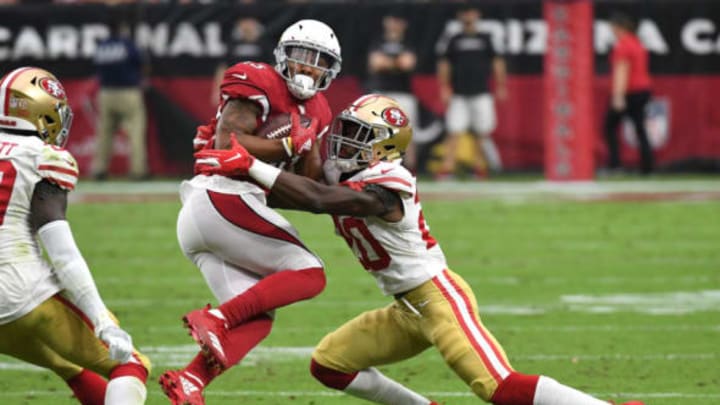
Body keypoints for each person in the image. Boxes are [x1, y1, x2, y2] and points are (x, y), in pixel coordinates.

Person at [195, 94, 645, 405]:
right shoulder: (344, 172)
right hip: (403, 309)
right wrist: (229, 169)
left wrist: (252, 164)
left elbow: (319, 200)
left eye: (359, 135)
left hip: (437, 298)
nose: (344, 140)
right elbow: (294, 192)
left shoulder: (390, 183)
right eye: (346, 129)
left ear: (384, 148)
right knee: (329, 365)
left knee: (499, 388)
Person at [157, 19, 342, 405]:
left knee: (258, 319)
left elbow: (304, 186)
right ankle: (218, 319)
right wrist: (292, 143)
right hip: (223, 195)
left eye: (318, 61)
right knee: (311, 273)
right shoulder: (257, 79)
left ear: (330, 70)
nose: (308, 67)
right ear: (282, 57)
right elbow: (229, 143)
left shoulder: (320, 108)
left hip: (215, 216)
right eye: (301, 57)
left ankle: (190, 381)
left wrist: (318, 160)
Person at [0, 66, 150, 404]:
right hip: (22, 294)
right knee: (130, 365)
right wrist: (101, 319)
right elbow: (63, 253)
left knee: (68, 364)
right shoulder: (42, 157)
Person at [436, 5, 507, 180]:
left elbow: (497, 62)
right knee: (454, 130)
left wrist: (501, 85)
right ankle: (448, 168)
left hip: (481, 91)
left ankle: (478, 167)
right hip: (459, 93)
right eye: (465, 13)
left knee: (481, 132)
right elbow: (445, 64)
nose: (468, 16)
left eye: (471, 12)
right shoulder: (453, 39)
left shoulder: (486, 38)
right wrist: (444, 87)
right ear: (460, 16)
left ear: (477, 14)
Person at [92, 17, 148, 181]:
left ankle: (99, 169)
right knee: (136, 131)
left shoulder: (102, 46)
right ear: (122, 27)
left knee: (104, 133)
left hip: (106, 93)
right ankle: (138, 170)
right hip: (128, 92)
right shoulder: (127, 45)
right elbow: (142, 64)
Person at [367, 12, 419, 172]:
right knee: (377, 133)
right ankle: (376, 168)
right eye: (393, 21)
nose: (395, 25)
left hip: (403, 93)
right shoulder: (377, 43)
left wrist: (387, 63)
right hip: (381, 93)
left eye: (398, 21)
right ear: (386, 22)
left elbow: (407, 64)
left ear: (404, 25)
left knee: (407, 135)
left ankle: (410, 170)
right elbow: (375, 64)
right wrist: (396, 63)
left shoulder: (409, 44)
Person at [603, 12, 653, 175]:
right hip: (643, 90)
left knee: (609, 127)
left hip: (630, 92)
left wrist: (618, 96)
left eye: (613, 29)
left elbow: (622, 72)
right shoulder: (638, 43)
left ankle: (615, 165)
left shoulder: (623, 46)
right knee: (640, 129)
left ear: (619, 28)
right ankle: (647, 167)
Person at [210, 17, 273, 106]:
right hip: (236, 88)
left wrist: (272, 90)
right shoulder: (232, 44)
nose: (246, 26)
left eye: (249, 22)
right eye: (243, 22)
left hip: (258, 88)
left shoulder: (264, 44)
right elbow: (223, 68)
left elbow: (272, 68)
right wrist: (217, 90)